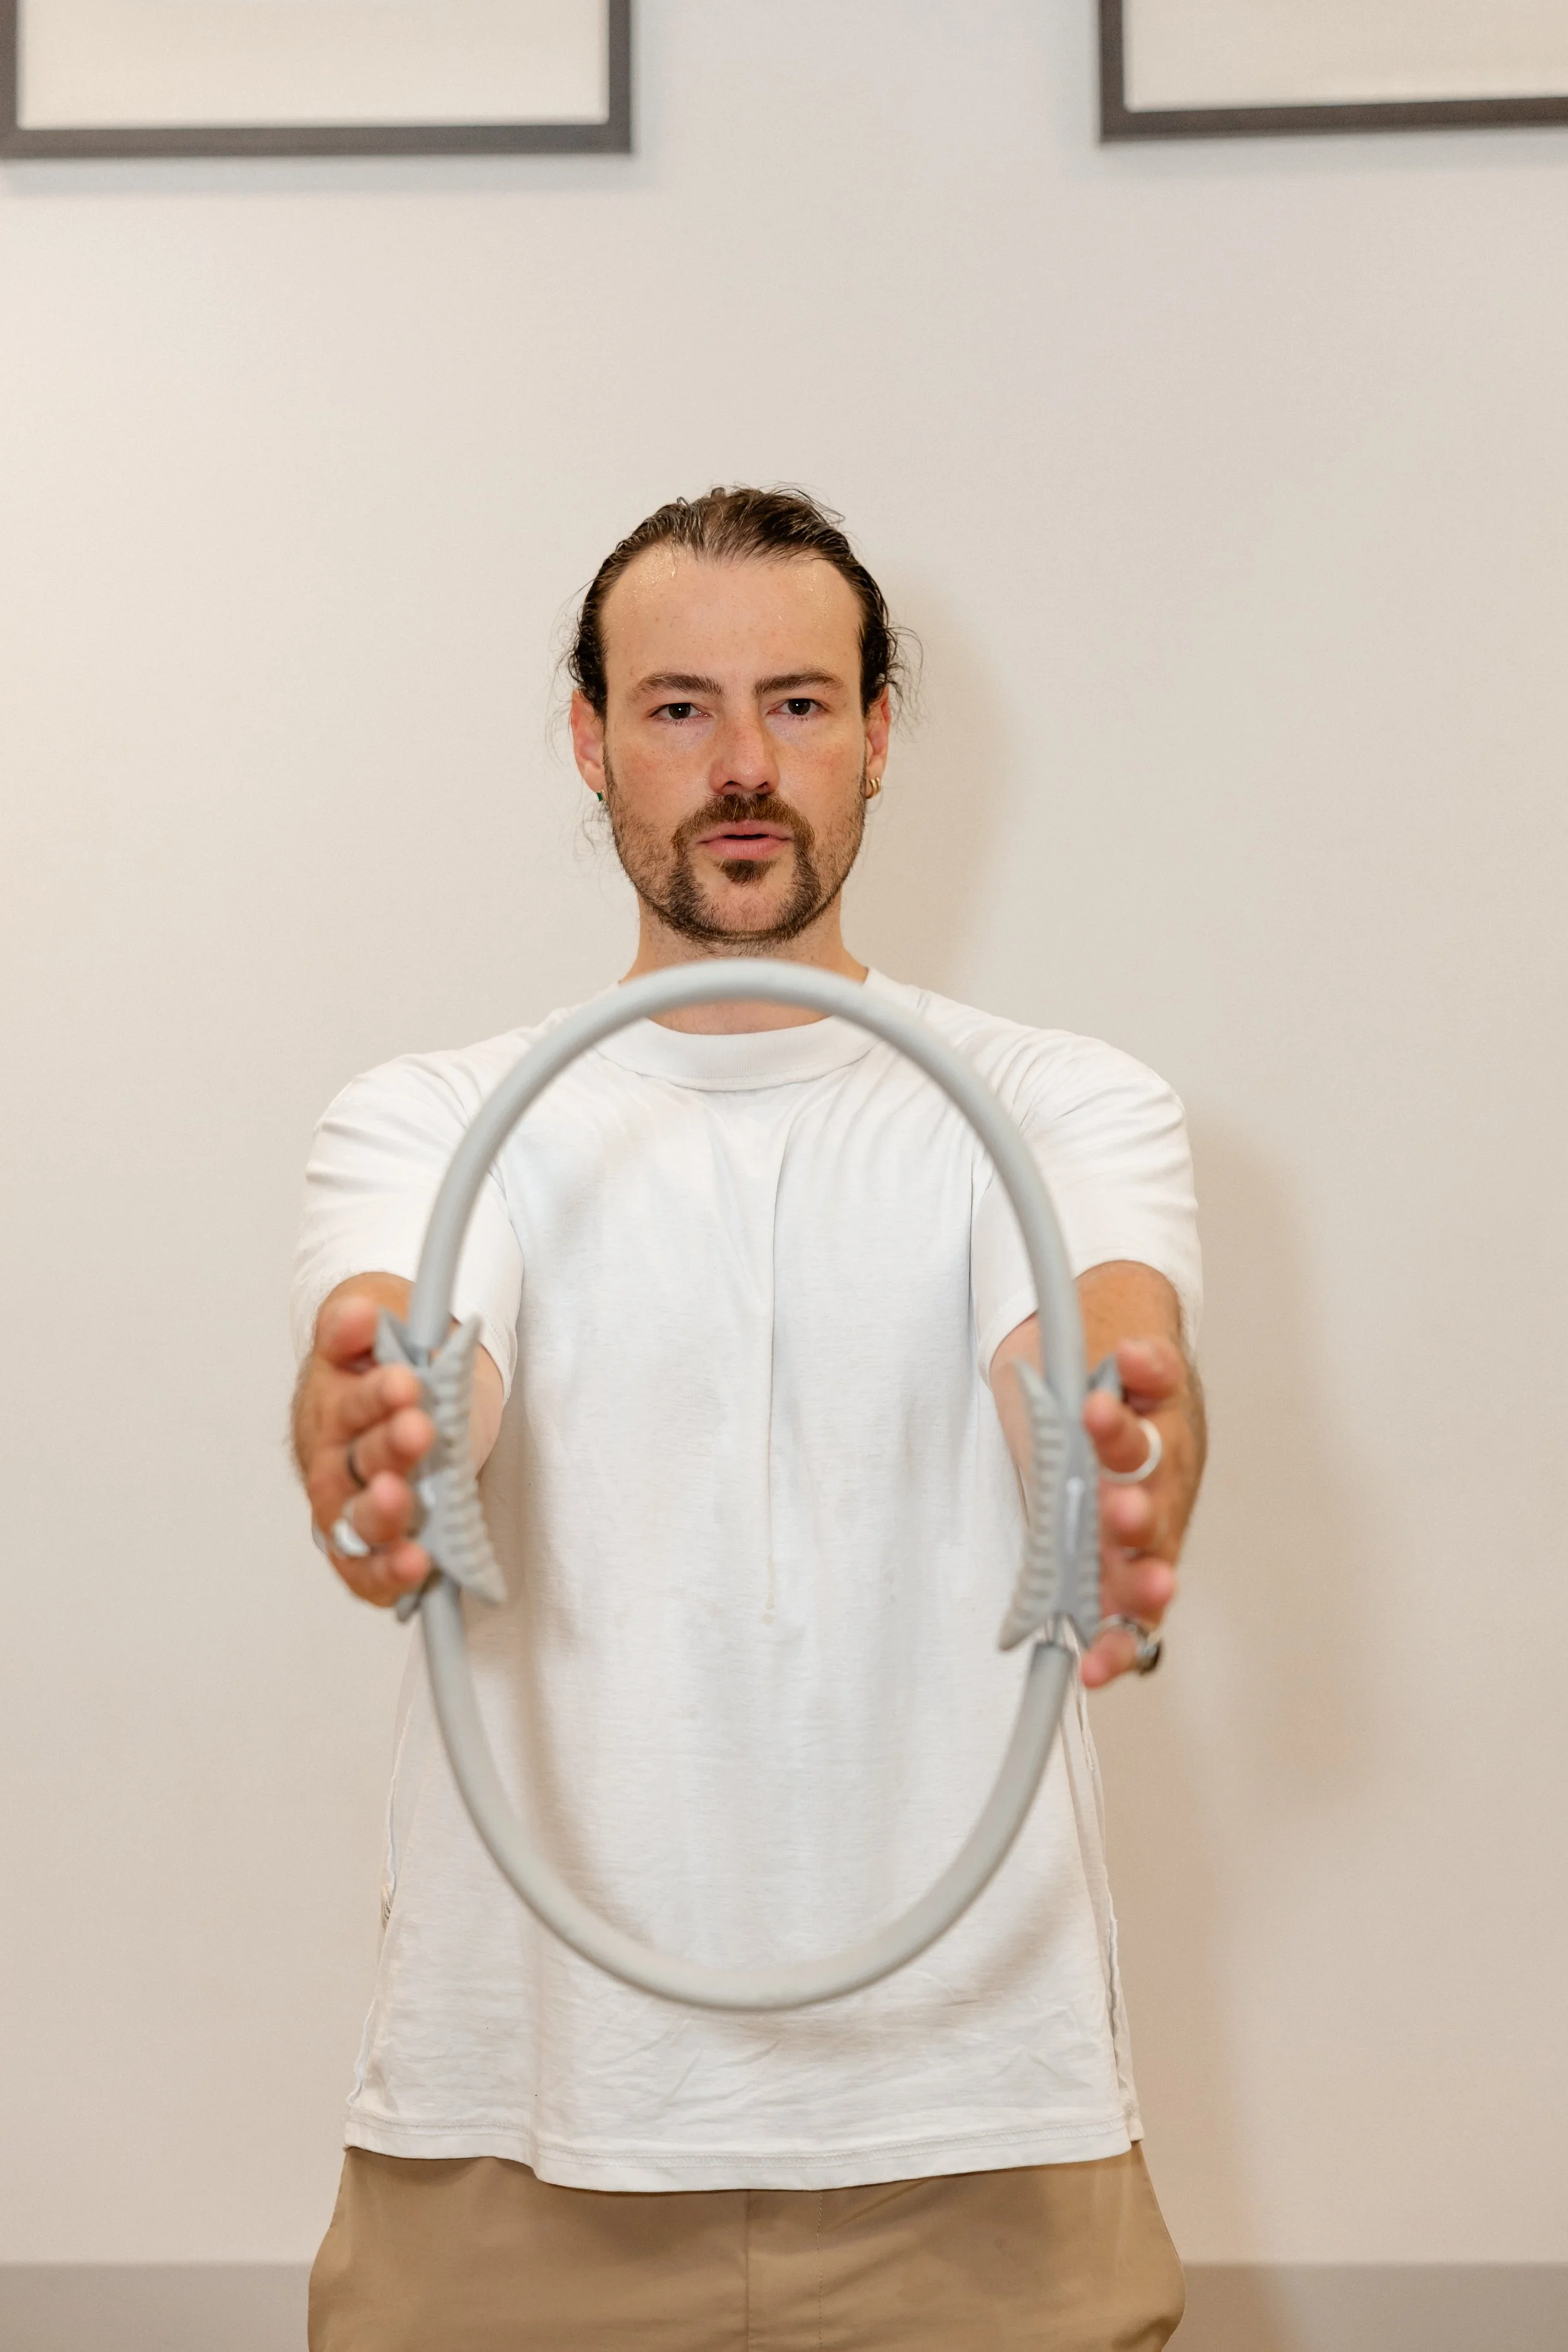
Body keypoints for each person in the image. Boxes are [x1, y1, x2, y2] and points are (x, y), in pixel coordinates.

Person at [291, 486, 1205, 2351]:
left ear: (878, 732)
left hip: (982, 2151)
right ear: (589, 736)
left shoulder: (1055, 1098)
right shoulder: (435, 1111)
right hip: (513, 2151)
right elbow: (402, 1343)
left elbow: (1093, 1338)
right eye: (677, 706)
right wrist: (387, 1418)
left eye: (795, 704)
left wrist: (1109, 1451)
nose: (739, 765)